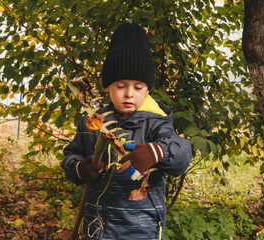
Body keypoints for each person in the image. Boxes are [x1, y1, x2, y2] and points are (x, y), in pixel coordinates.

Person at [61, 22, 192, 240]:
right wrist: (79, 169)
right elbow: (71, 155)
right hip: (97, 228)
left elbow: (182, 152)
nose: (129, 94)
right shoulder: (94, 121)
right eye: (121, 86)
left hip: (141, 229)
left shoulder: (156, 122)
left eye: (138, 87)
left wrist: (156, 152)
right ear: (108, 87)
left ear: (148, 89)